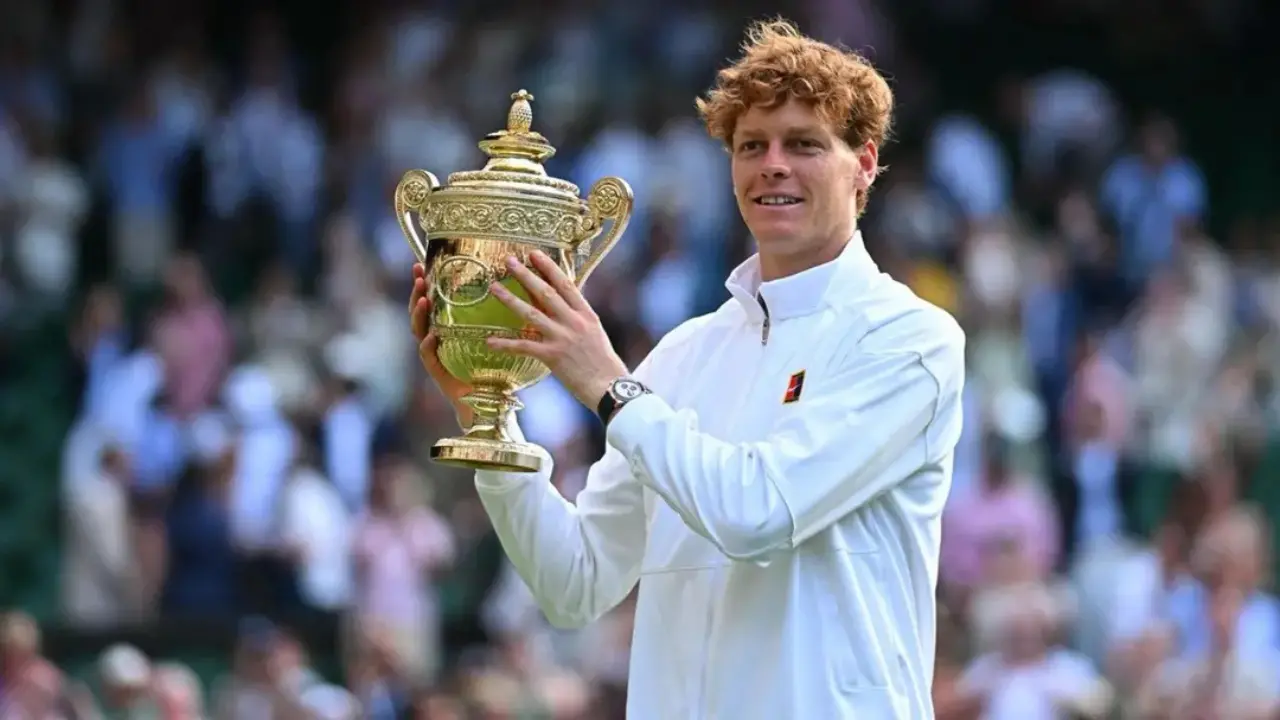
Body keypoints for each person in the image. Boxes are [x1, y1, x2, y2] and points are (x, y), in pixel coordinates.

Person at [409, 19, 965, 718]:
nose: (773, 166)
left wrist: (610, 388)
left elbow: (757, 513)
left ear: (865, 165)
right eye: (751, 146)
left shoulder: (910, 338)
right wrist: (490, 419)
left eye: (805, 145)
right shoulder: (684, 352)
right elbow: (574, 583)